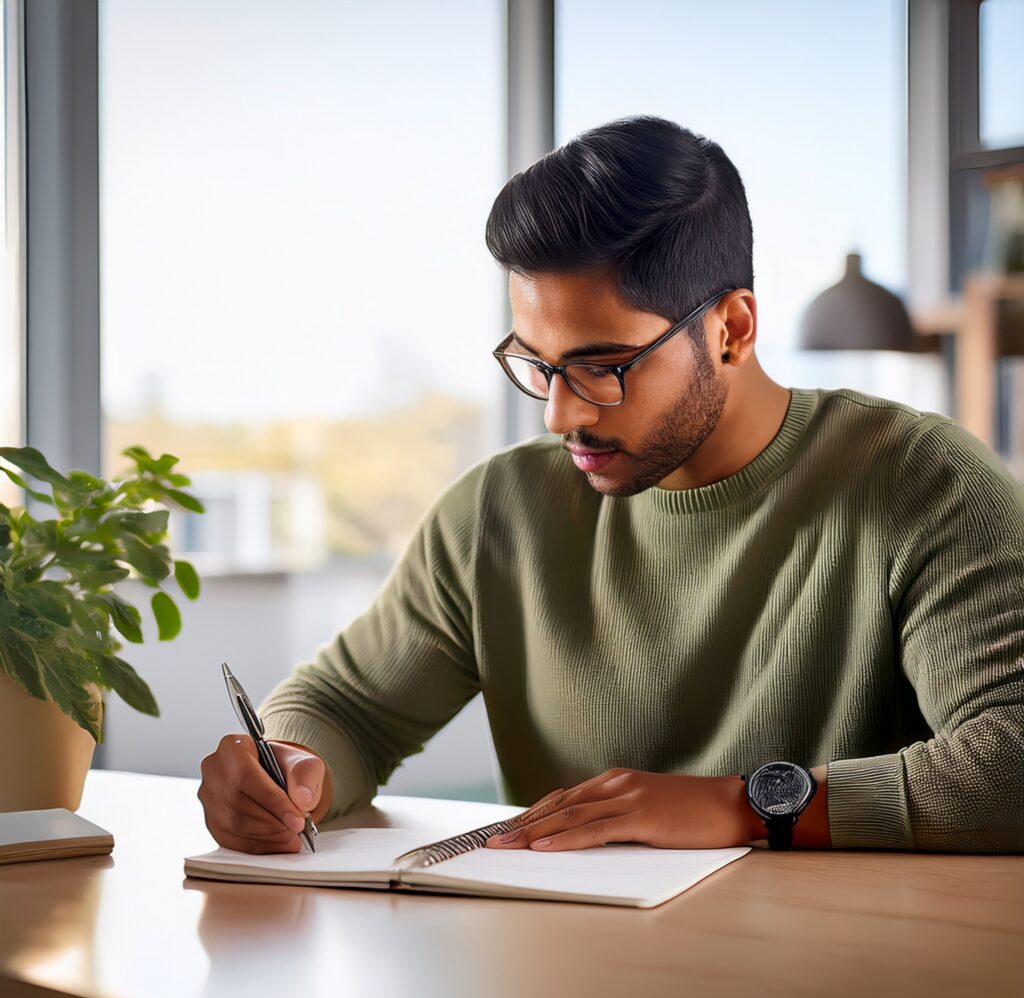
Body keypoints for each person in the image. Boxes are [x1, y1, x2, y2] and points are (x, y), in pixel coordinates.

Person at [198, 115, 1023, 857]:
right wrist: (293, 767)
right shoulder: (499, 513)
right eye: (537, 364)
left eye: (601, 367)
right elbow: (348, 706)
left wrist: (746, 807)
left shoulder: (924, 481)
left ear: (732, 328)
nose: (559, 415)